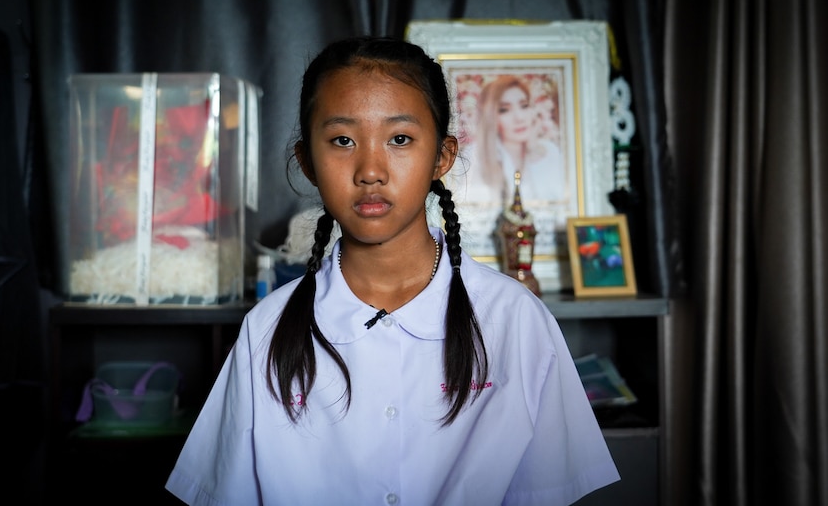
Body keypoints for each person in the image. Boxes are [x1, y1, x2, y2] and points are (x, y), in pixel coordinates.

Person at [165, 36, 619, 505]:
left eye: (399, 139)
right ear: (307, 162)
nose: (371, 170)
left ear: (441, 156)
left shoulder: (515, 320)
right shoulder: (266, 332)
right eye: (343, 140)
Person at [469, 75, 565, 205]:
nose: (519, 118)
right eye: (504, 110)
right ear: (491, 117)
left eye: (524, 106)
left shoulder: (550, 151)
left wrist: (533, 151)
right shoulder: (476, 157)